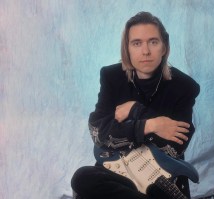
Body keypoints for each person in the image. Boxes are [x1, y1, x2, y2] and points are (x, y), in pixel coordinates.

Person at [71, 11, 200, 199]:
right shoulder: (111, 77)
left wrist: (135, 110)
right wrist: (150, 125)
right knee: (82, 177)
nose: (145, 51)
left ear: (164, 47)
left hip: (161, 179)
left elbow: (174, 147)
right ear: (127, 48)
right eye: (137, 43)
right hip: (118, 170)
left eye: (153, 42)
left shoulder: (185, 87)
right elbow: (99, 131)